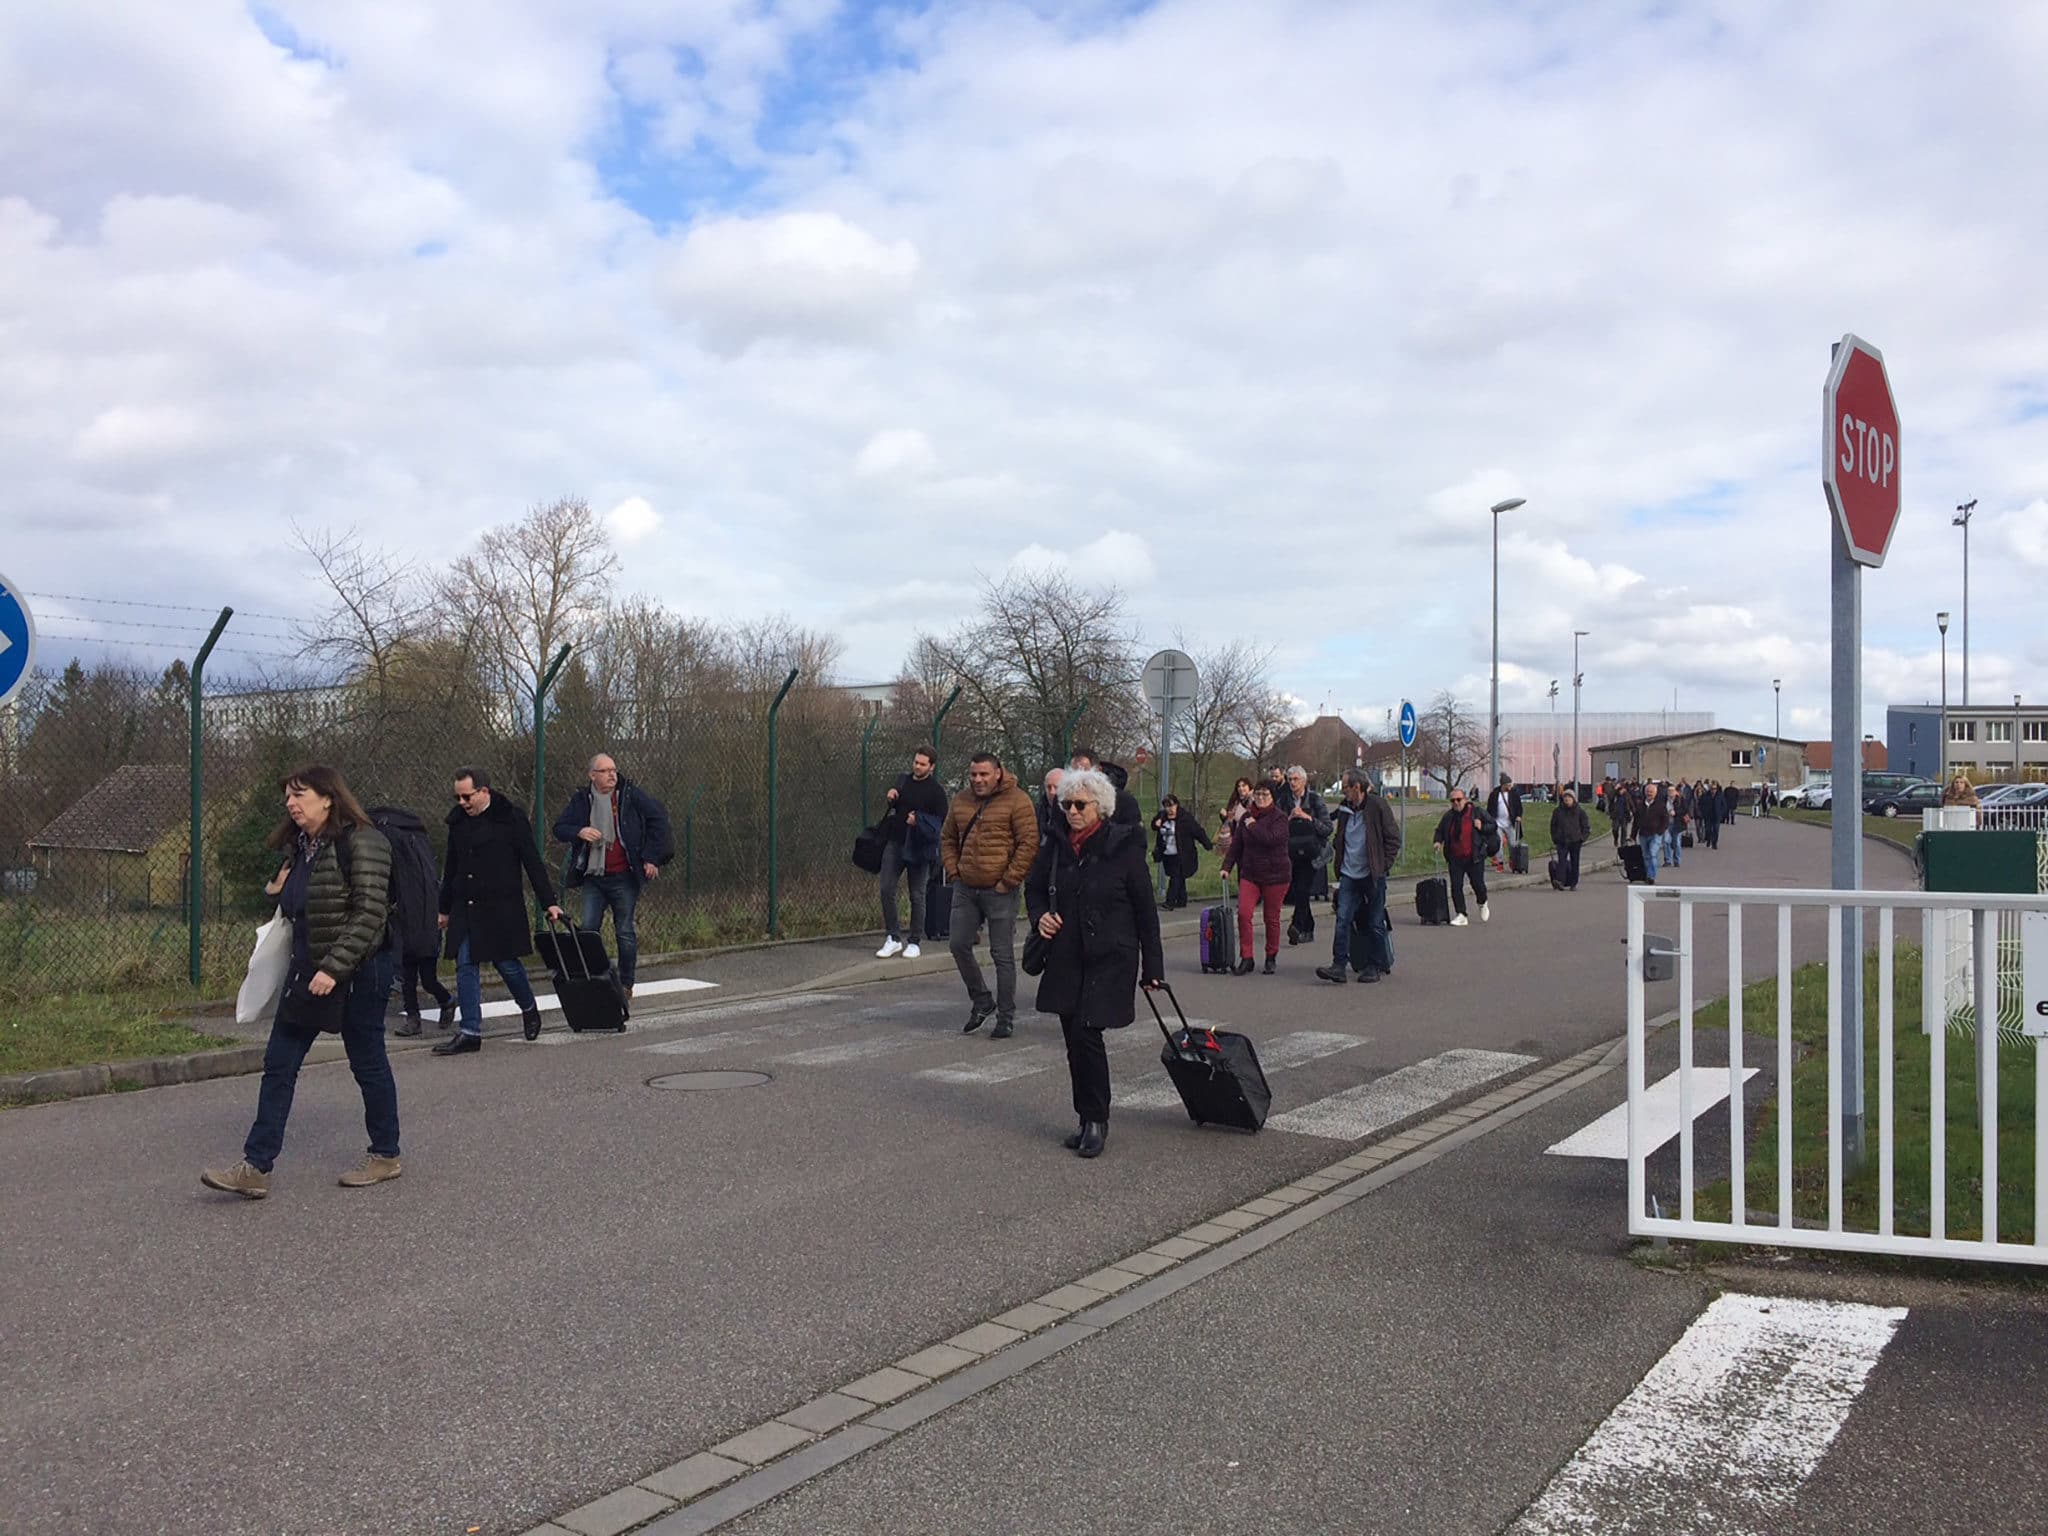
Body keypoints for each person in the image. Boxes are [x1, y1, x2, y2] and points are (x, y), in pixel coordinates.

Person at [202, 765, 400, 1198]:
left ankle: (385, 1154)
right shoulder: (301, 846)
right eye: (288, 797)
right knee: (279, 1062)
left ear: (329, 797)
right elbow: (303, 902)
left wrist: (333, 968)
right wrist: (277, 890)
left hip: (361, 968)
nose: (290, 803)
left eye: (300, 795)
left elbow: (371, 914)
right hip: (308, 966)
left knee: (367, 1061)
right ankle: (255, 1167)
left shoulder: (365, 841)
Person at [1027, 767, 1165, 1160]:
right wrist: (1041, 916)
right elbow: (1034, 889)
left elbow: (1145, 912)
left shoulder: (1124, 848)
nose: (1071, 811)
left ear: (1100, 808)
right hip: (1066, 954)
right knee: (1073, 1038)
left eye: (1080, 805)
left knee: (1088, 1033)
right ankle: (1084, 1115)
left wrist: (1153, 968)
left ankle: (1096, 1121)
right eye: (1066, 804)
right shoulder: (1055, 846)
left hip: (1111, 956)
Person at [434, 767, 563, 1052]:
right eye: (457, 797)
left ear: (483, 792)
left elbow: (532, 861)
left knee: (506, 964)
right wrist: (444, 909)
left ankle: (528, 1007)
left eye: (467, 797)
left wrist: (549, 901)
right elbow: (451, 867)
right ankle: (470, 1031)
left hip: (500, 906)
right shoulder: (457, 823)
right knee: (465, 964)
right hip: (466, 905)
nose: (462, 803)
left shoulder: (510, 818)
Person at [551, 753, 672, 997]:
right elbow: (559, 828)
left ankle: (626, 984)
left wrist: (651, 857)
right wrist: (580, 831)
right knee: (588, 929)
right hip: (594, 877)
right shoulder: (582, 800)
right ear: (592, 775)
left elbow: (658, 819)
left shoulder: (629, 796)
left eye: (613, 769)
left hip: (624, 876)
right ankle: (596, 977)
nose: (611, 775)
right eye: (604, 771)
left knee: (624, 931)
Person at [941, 751, 1040, 1038]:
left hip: (1000, 890)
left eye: (983, 774)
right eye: (973, 774)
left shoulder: (1018, 800)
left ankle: (1006, 1016)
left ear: (997, 773)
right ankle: (982, 1000)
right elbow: (947, 838)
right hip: (966, 887)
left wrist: (1008, 880)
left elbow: (1028, 843)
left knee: (1002, 954)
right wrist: (954, 871)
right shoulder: (960, 801)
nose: (978, 780)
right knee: (958, 944)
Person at [1317, 769, 1401, 983]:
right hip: (1348, 873)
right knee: (1343, 918)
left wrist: (1383, 866)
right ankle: (1338, 965)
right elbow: (1339, 835)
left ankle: (1374, 965)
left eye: (1345, 787)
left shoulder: (1378, 806)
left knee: (1374, 921)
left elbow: (1393, 839)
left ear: (1357, 787)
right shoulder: (1345, 808)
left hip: (1372, 874)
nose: (1343, 791)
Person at [872, 746, 948, 958]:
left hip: (919, 846)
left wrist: (919, 821)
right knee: (886, 889)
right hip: (896, 841)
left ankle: (915, 940)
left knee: (917, 894)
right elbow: (895, 800)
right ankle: (893, 937)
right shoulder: (903, 780)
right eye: (916, 762)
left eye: (922, 764)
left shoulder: (936, 792)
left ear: (931, 767)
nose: (917, 766)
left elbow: (940, 821)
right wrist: (891, 795)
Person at [1220, 779, 1291, 973]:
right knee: (1243, 913)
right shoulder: (1246, 818)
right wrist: (1227, 866)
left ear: (1272, 797)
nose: (1260, 798)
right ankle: (1247, 957)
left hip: (1275, 875)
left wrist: (1253, 826)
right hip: (1250, 873)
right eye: (1257, 794)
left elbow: (1271, 840)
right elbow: (1237, 846)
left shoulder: (1280, 818)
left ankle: (1271, 955)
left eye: (1264, 795)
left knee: (1271, 918)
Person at [1282, 766, 1332, 944]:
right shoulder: (1285, 801)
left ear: (1304, 781)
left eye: (1296, 779)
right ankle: (1308, 928)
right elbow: (1278, 826)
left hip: (1313, 853)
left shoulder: (1315, 800)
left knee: (1304, 889)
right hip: (1293, 852)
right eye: (1290, 779)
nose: (1292, 783)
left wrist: (1306, 816)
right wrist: (1288, 819)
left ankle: (1296, 925)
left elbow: (1327, 828)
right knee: (1298, 891)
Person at [1432, 788, 1490, 926]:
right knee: (1456, 886)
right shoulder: (1448, 816)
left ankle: (1482, 902)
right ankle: (1461, 914)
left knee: (1478, 884)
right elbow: (1439, 830)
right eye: (1453, 801)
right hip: (1455, 857)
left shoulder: (1477, 813)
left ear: (1465, 800)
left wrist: (1481, 826)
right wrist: (1438, 841)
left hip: (1474, 856)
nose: (1456, 803)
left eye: (1459, 799)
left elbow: (1492, 825)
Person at [1150, 794, 1212, 910]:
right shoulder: (1162, 816)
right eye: (1166, 806)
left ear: (1177, 805)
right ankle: (1182, 899)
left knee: (1175, 876)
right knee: (1179, 876)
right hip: (1167, 853)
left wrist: (1207, 844)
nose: (1169, 809)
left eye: (1171, 806)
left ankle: (1170, 901)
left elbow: (1197, 831)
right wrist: (1156, 823)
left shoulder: (1185, 818)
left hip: (1183, 853)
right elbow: (1153, 826)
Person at [1069, 747, 1143, 827]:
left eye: (1084, 772)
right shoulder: (1064, 802)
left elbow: (1134, 834)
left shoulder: (1124, 801)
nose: (1078, 778)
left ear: (1098, 770)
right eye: (1073, 773)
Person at [1550, 788, 1591, 891]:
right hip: (1562, 841)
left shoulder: (1580, 812)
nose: (1567, 799)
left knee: (1574, 862)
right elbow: (1553, 826)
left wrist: (1582, 838)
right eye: (1565, 797)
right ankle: (1560, 881)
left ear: (1574, 799)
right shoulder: (1558, 811)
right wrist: (1555, 838)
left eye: (1569, 797)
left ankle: (1573, 883)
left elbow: (1586, 827)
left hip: (1575, 841)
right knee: (1562, 861)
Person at [1486, 774, 1523, 873]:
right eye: (1508, 785)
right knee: (1499, 844)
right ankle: (1500, 863)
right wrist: (1490, 820)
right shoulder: (1494, 794)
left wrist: (1519, 816)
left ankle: (1513, 860)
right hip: (1497, 823)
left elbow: (1519, 807)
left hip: (1510, 823)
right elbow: (1489, 808)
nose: (1510, 787)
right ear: (1503, 784)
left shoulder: (1514, 794)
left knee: (1513, 843)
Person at [1637, 781, 1671, 882]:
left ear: (1655, 793)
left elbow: (1666, 820)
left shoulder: (1660, 805)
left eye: (1651, 791)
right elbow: (1636, 820)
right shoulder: (1640, 805)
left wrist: (1660, 831)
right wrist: (1632, 834)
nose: (1649, 793)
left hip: (1655, 834)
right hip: (1643, 834)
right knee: (1646, 856)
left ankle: (1652, 876)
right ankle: (1647, 875)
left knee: (1652, 854)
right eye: (1647, 791)